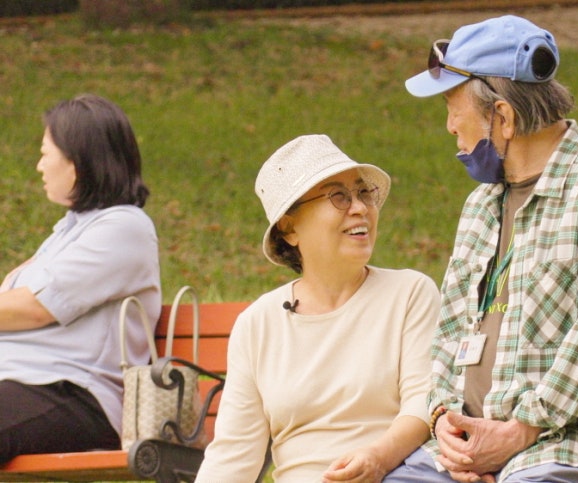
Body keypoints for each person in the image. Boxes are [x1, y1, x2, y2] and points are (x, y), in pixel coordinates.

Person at [387, 15, 578, 483]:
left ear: (503, 117)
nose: (450, 126)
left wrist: (517, 433)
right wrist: (445, 426)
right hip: (466, 452)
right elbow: (449, 333)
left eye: (454, 108)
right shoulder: (481, 206)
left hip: (570, 448)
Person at [195, 134, 440, 482]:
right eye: (338, 196)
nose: (360, 208)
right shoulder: (258, 324)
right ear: (289, 227)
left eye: (363, 193)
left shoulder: (409, 294)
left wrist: (377, 459)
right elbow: (232, 457)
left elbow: (424, 404)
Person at [0, 94, 161, 463]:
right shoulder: (68, 232)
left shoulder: (124, 227)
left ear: (78, 160)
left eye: (45, 153)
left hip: (73, 394)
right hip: (24, 387)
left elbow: (35, 307)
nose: (39, 166)